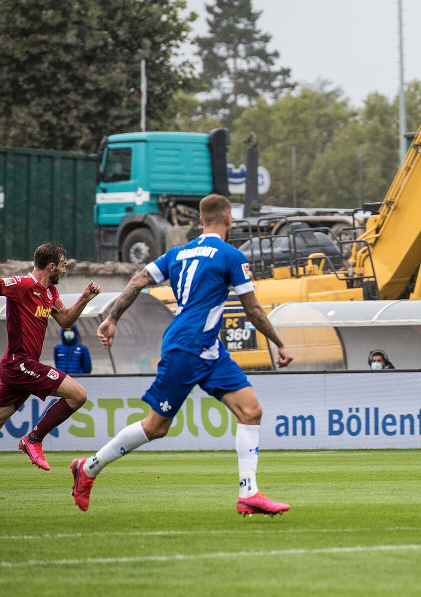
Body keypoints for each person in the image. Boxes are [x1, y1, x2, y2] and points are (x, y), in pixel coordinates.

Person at [70, 194, 295, 515]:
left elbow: (137, 280)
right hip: (187, 348)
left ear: (200, 221)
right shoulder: (231, 255)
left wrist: (112, 318)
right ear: (228, 220)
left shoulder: (176, 254)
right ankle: (88, 468)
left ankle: (249, 493)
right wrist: (280, 343)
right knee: (156, 426)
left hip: (208, 350)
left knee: (251, 411)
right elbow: (253, 310)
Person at [1, 242, 101, 470]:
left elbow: (65, 320)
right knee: (78, 395)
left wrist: (85, 298)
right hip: (20, 363)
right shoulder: (23, 284)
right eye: (63, 266)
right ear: (51, 266)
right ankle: (32, 439)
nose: (65, 270)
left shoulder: (49, 291)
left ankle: (33, 440)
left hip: (22, 367)